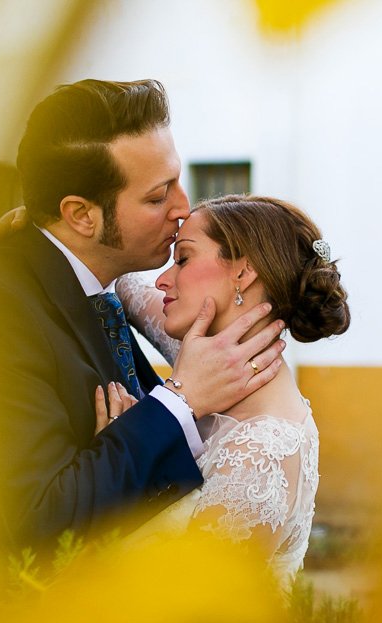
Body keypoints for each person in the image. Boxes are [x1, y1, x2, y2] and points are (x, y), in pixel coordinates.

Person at [0, 79, 286, 549]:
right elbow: (36, 522)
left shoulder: (99, 287)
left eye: (177, 183)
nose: (183, 209)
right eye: (157, 197)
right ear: (81, 215)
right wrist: (180, 400)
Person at [112, 195, 350, 583]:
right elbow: (128, 289)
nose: (163, 279)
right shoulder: (218, 360)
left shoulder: (261, 454)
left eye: (183, 258)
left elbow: (186, 607)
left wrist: (125, 455)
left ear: (242, 274)